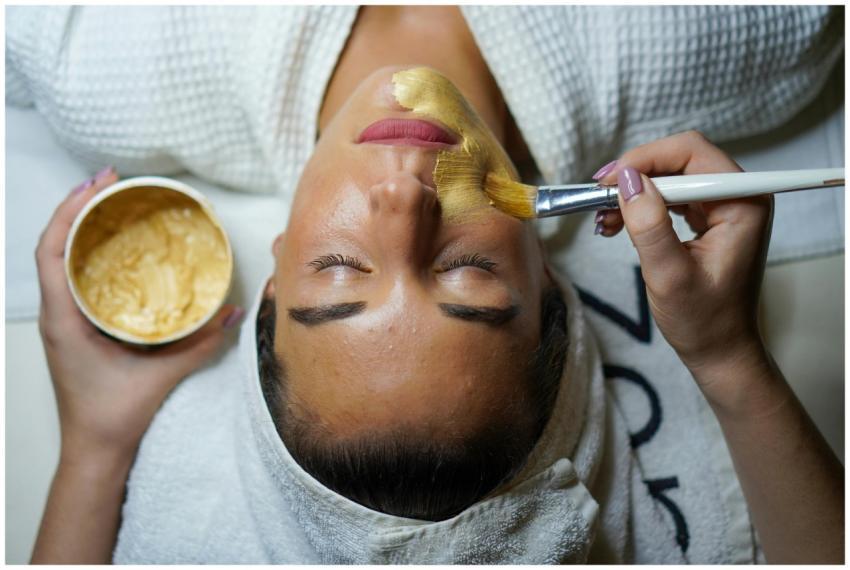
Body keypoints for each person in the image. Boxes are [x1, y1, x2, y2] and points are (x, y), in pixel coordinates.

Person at [17, 6, 843, 564]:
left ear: (273, 271)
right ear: (548, 274)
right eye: (466, 270)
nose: (403, 202)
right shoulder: (745, 32)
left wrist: (93, 442)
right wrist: (730, 359)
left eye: (340, 268)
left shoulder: (92, 58)